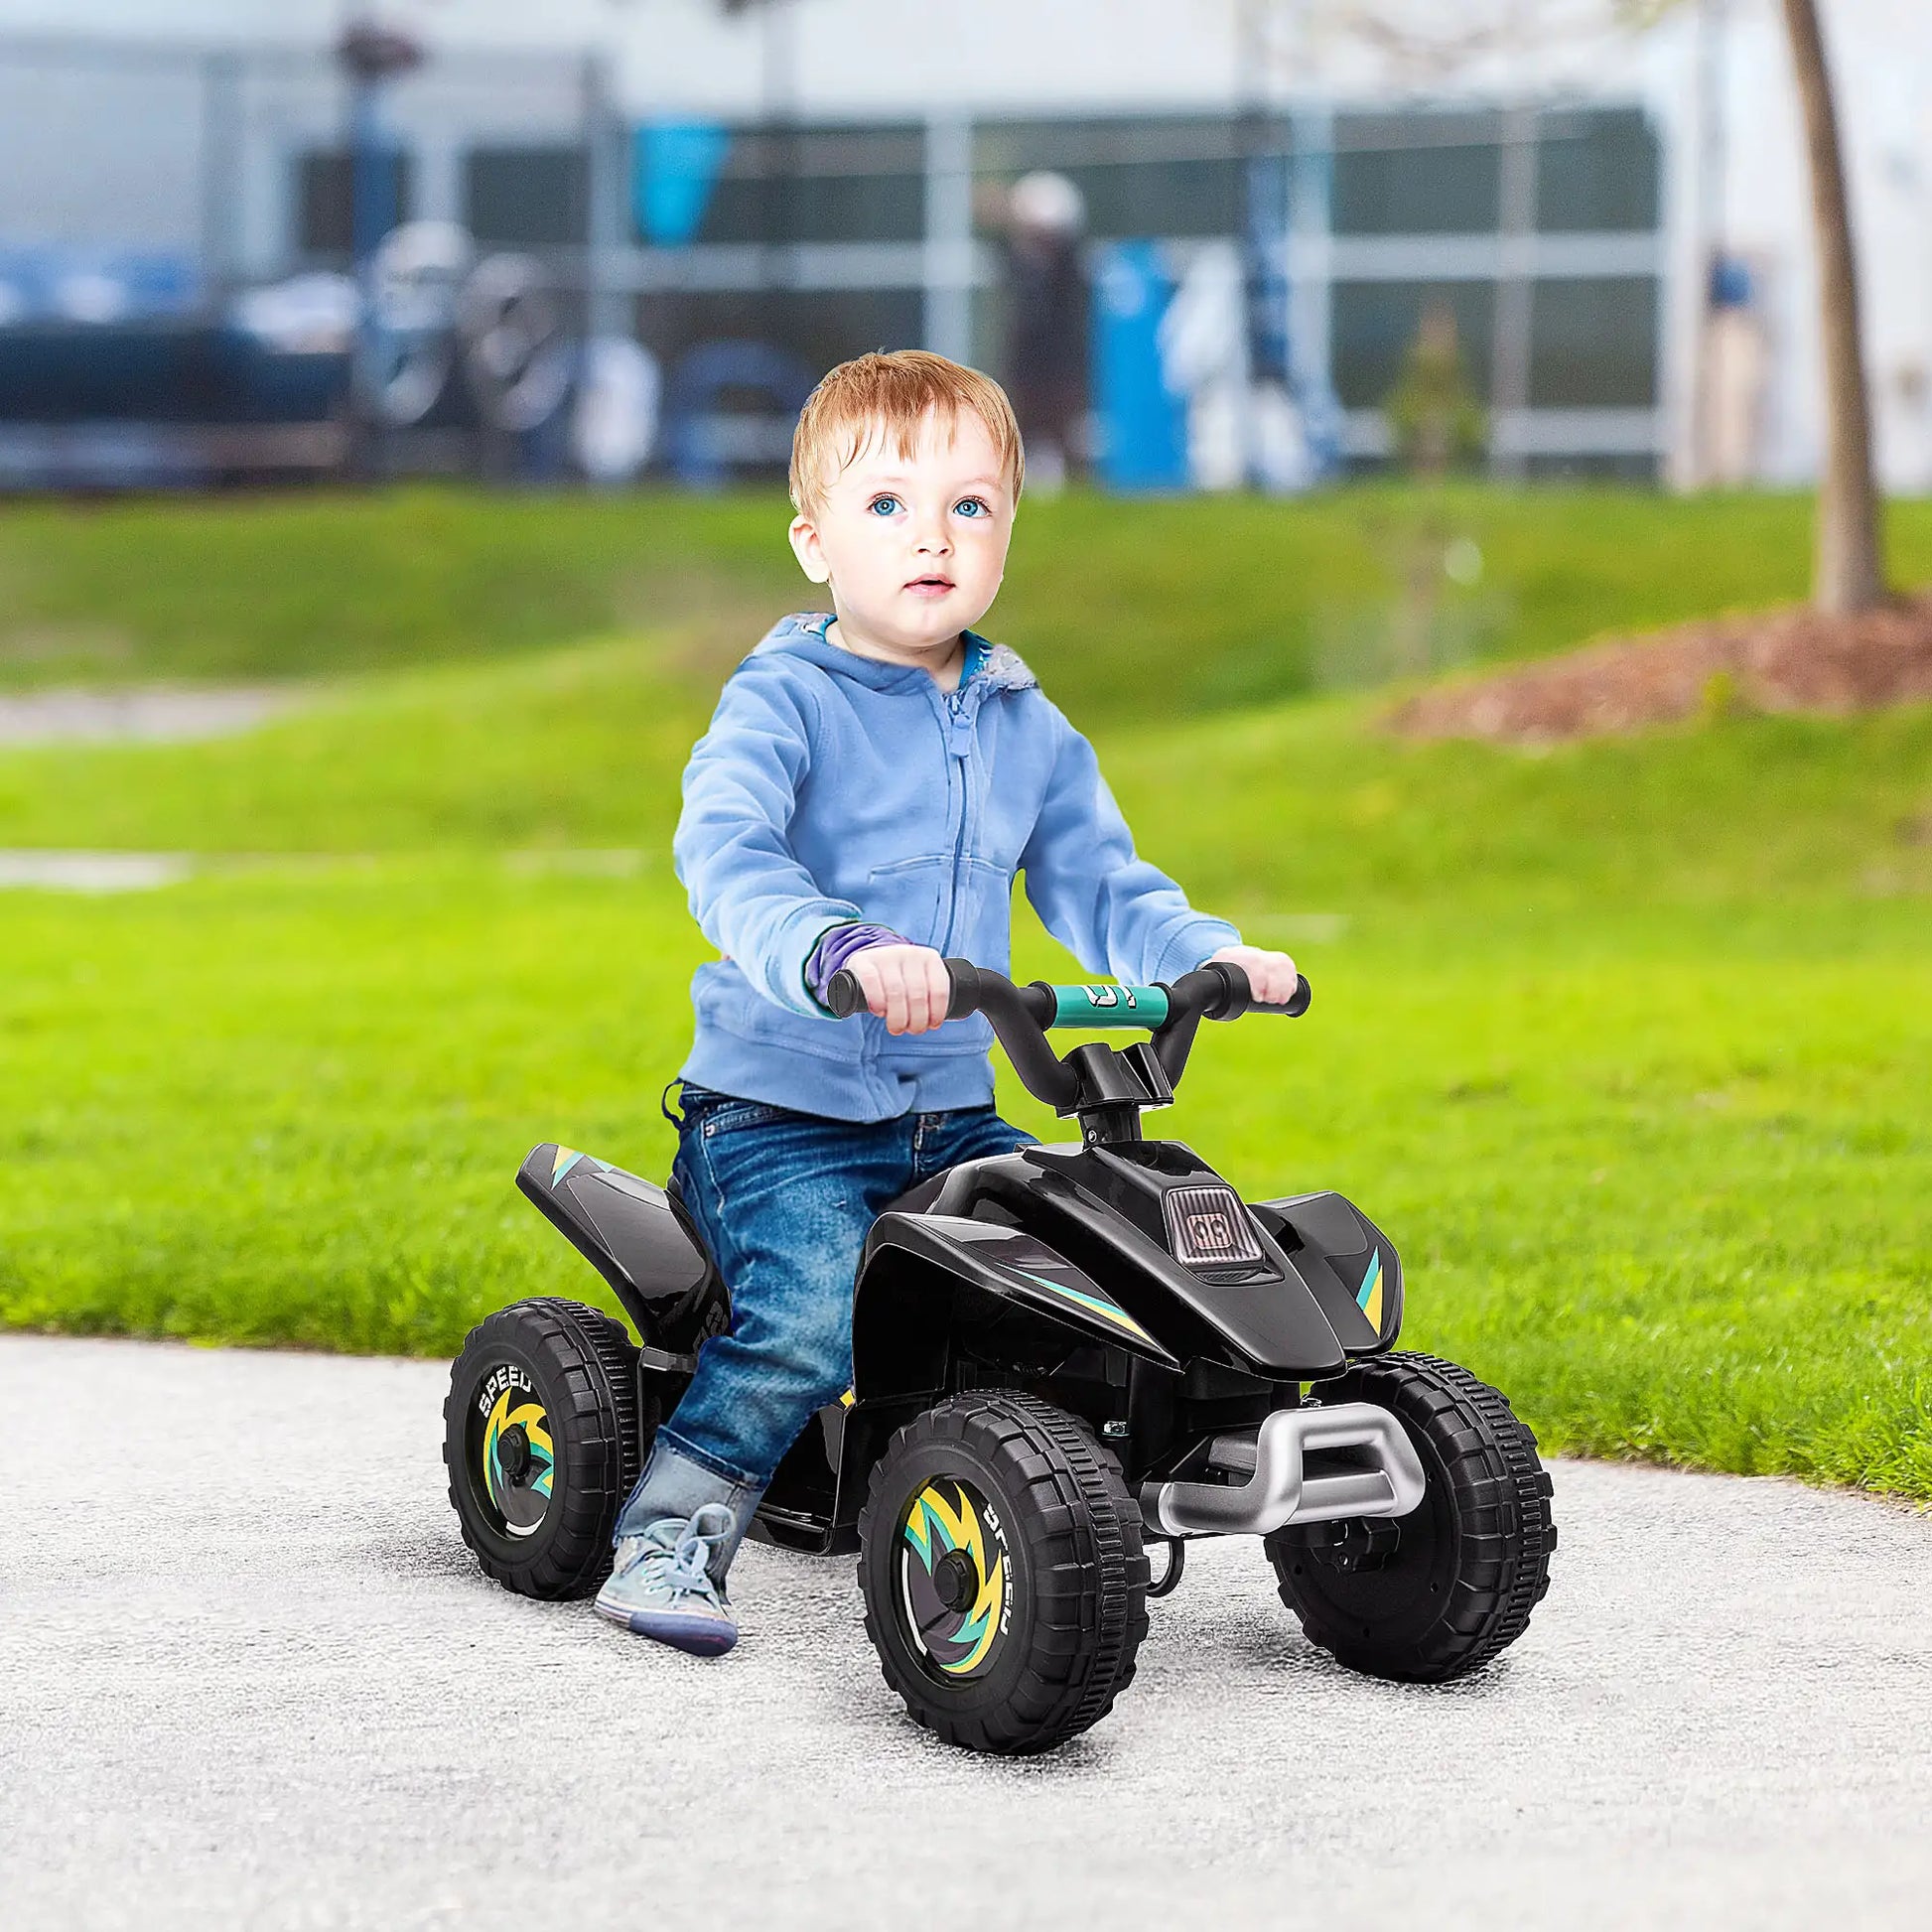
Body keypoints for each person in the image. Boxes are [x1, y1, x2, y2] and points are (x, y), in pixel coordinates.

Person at [595, 348, 1298, 1655]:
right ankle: (670, 1532)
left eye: (968, 507)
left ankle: (1033, 1487)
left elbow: (1100, 879)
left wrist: (1209, 954)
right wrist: (834, 945)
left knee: (1067, 1283)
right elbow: (727, 851)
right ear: (812, 541)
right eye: (887, 508)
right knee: (805, 1323)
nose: (933, 537)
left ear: (1007, 532)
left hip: (952, 1117)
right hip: (778, 1114)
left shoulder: (1025, 721)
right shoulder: (782, 701)